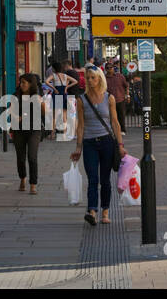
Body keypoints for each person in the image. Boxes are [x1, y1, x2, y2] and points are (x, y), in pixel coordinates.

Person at [70, 65, 126, 226]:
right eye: (88, 78)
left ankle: (106, 211)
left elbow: (115, 123)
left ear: (99, 78)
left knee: (105, 179)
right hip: (89, 143)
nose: (90, 80)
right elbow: (80, 125)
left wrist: (120, 145)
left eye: (93, 77)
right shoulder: (82, 100)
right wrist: (78, 147)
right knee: (93, 178)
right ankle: (92, 211)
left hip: (107, 142)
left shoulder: (109, 98)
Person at [9, 74, 46, 194]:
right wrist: (16, 117)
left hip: (34, 129)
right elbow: (11, 110)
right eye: (21, 82)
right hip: (19, 129)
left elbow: (44, 113)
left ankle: (33, 184)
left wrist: (42, 104)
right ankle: (23, 178)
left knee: (32, 156)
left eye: (24, 82)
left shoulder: (36, 96)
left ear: (31, 84)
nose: (22, 84)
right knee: (20, 157)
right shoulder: (16, 96)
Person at [44, 61, 76, 139]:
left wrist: (54, 88)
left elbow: (46, 81)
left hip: (57, 94)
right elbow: (75, 81)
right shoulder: (65, 76)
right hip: (64, 95)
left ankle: (52, 134)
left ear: (54, 69)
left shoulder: (54, 76)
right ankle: (64, 134)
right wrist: (66, 87)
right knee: (64, 115)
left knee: (55, 115)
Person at [105, 63, 130, 132]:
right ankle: (112, 130)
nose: (109, 69)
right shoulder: (104, 78)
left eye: (111, 67)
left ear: (113, 68)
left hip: (120, 99)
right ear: (105, 69)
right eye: (107, 68)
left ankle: (122, 130)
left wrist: (127, 95)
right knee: (110, 116)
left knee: (121, 116)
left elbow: (126, 86)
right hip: (108, 100)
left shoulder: (120, 76)